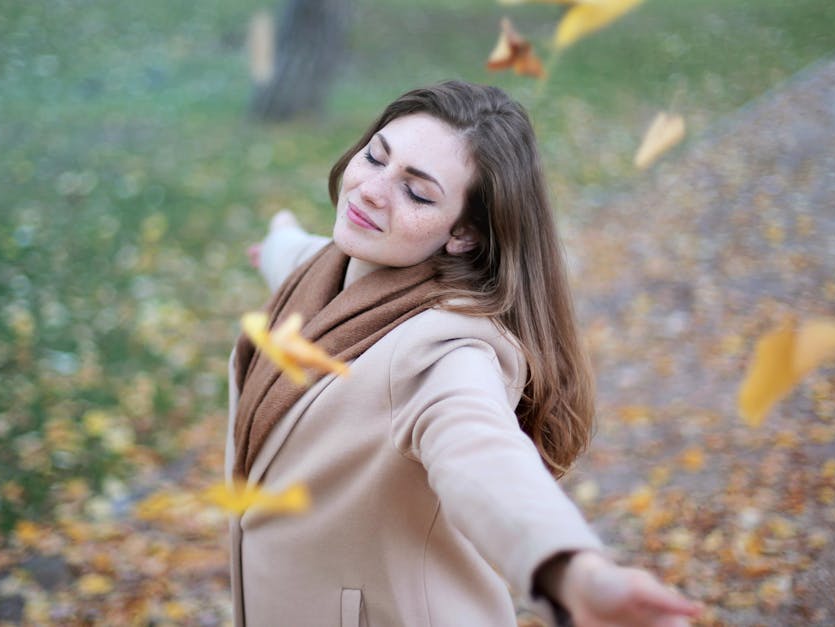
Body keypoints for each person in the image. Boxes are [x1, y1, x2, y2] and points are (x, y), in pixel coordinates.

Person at [229, 80, 700, 626]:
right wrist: (279, 238)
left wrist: (573, 571)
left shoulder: (447, 347)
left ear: (465, 235)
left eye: (418, 192)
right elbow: (300, 256)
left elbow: (481, 454)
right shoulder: (322, 269)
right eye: (375, 157)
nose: (371, 191)